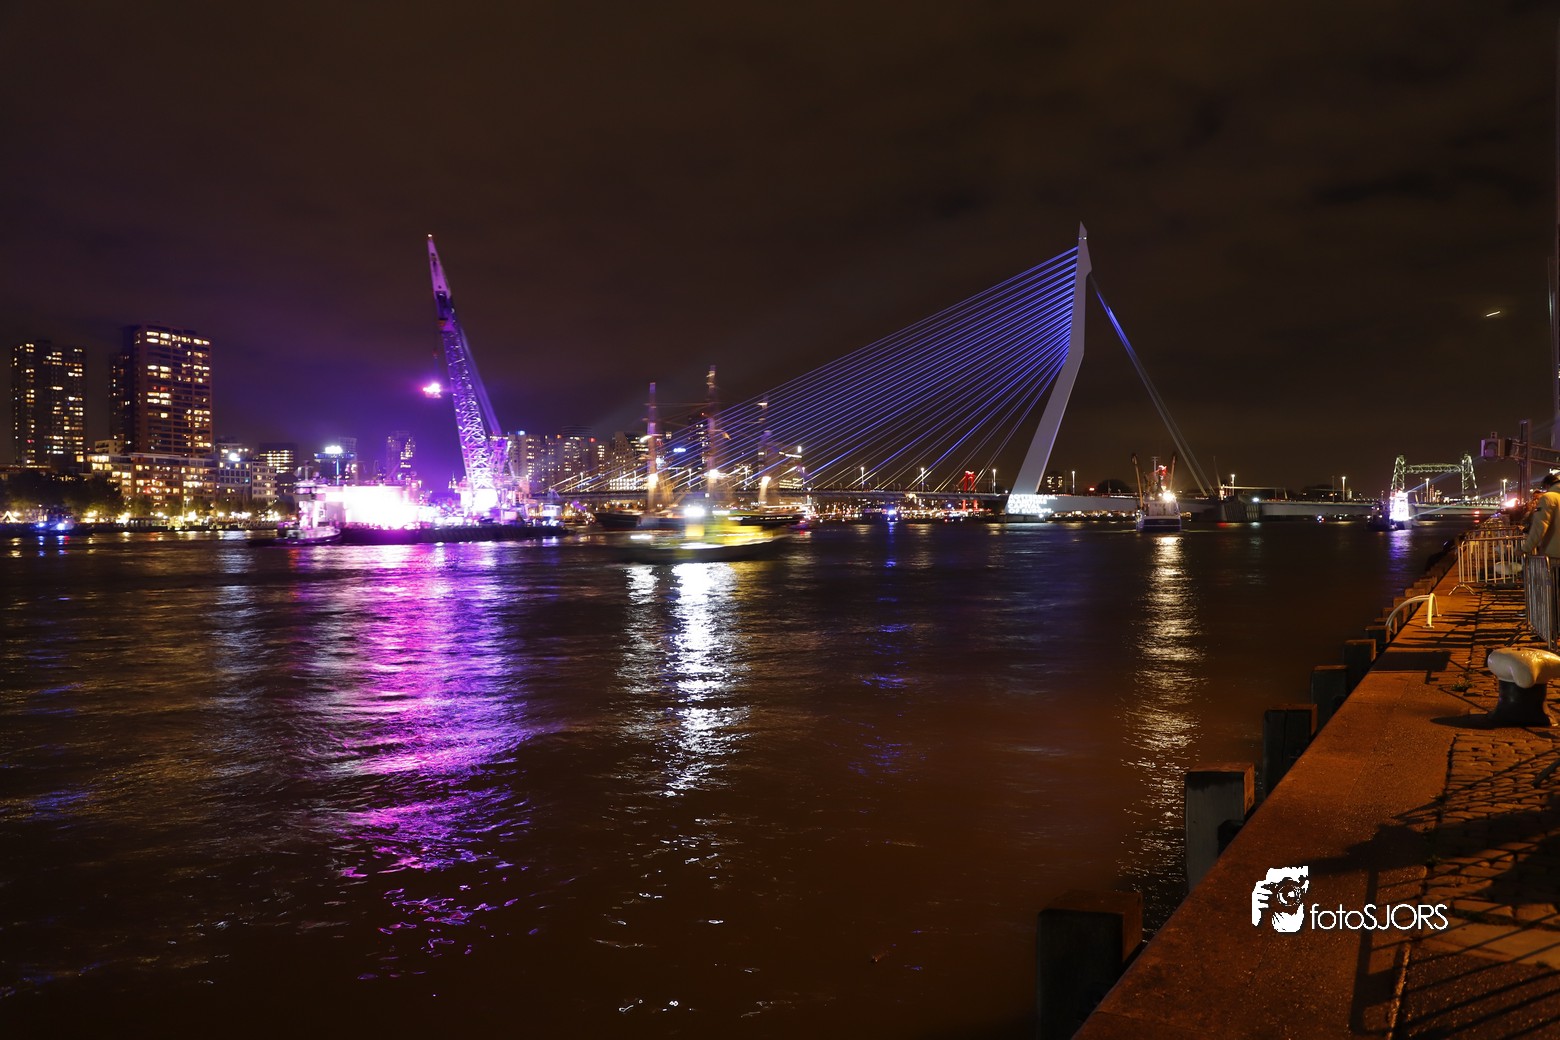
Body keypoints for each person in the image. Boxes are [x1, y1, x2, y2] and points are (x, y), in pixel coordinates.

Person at [1523, 472, 1560, 557]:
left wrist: (1525, 548)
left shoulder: (1548, 498)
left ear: (1547, 485)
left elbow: (1540, 525)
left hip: (1554, 553)